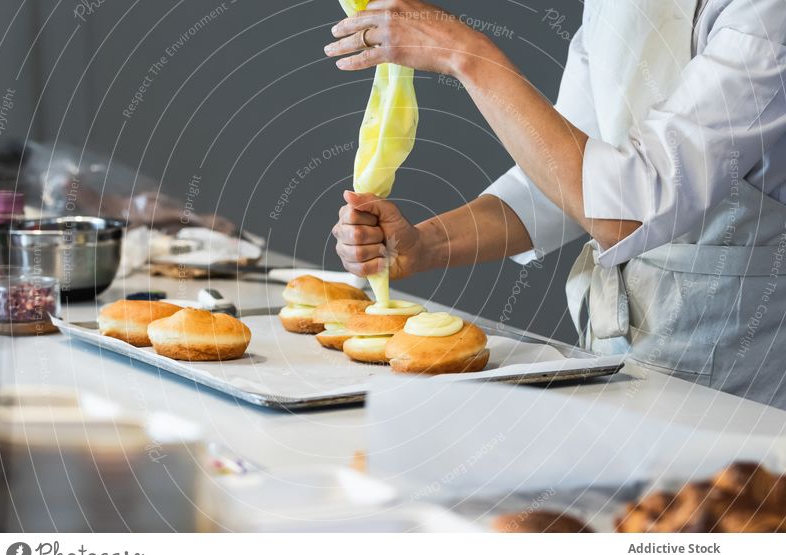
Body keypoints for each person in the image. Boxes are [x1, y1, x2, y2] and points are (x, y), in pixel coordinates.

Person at [326, 0, 786, 409]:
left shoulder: (766, 15)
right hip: (620, 353)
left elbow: (624, 212)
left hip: (739, 372)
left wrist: (466, 55)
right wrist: (423, 245)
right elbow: (562, 178)